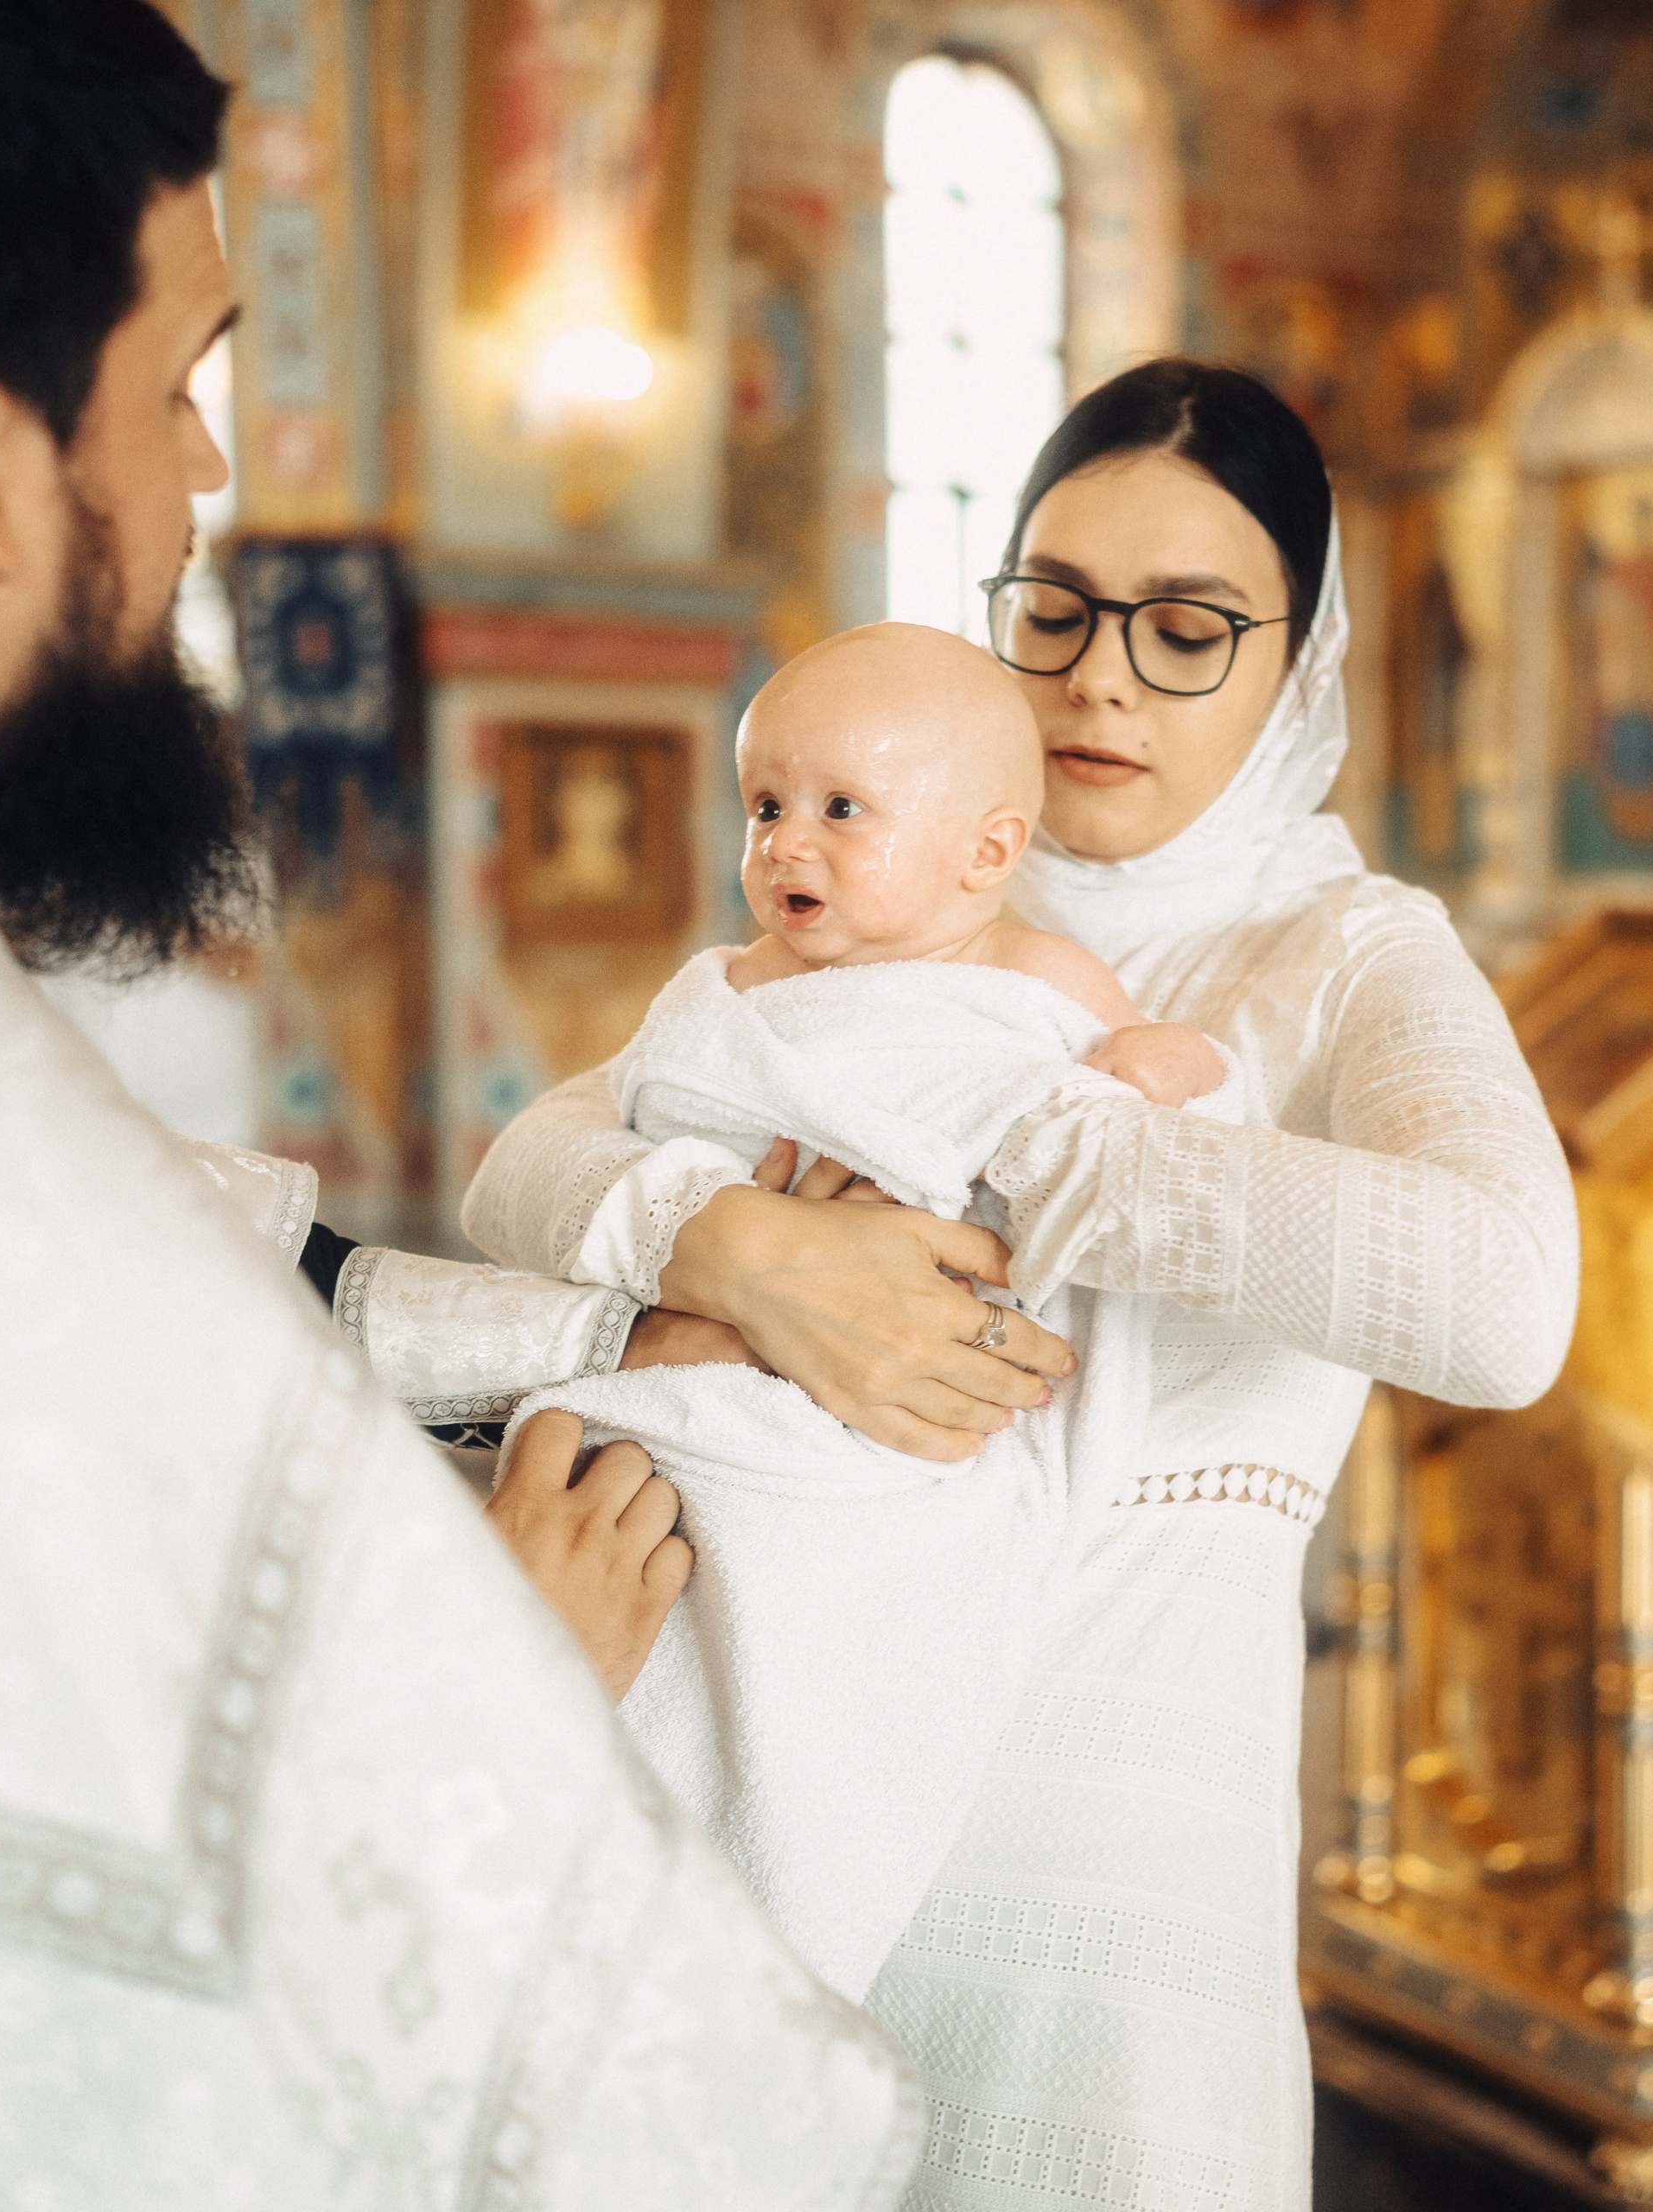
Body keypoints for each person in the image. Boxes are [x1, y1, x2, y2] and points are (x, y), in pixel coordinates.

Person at [0, 3, 926, 2202]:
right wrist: (489, 1692)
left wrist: (627, 1325)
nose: (207, 479)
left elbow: (203, 1242)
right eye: (177, 388)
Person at [464, 358, 1578, 2204]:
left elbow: (1502, 1299)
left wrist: (1042, 1137)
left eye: (1185, 627)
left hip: (1099, 1921)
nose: (1096, 677)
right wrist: (748, 1247)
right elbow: (531, 1166)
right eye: (1051, 609)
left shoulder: (1340, 950)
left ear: (1299, 660)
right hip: (767, 1808)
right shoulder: (867, 902)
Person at [499, 621, 1233, 2005]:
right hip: (691, 1388)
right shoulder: (729, 994)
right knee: (605, 1529)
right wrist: (726, 1225)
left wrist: (1150, 1066)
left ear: (986, 851)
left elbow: (1139, 1123)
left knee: (815, 1650)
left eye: (843, 810)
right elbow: (629, 1124)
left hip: (878, 1446)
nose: (786, 844)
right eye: (765, 806)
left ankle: (756, 1926)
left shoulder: (1041, 985)